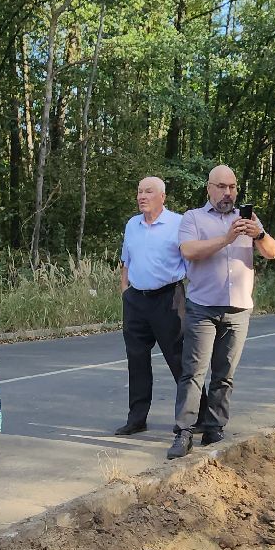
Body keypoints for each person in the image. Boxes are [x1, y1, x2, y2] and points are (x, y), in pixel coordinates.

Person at [168, 164, 275, 460]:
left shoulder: (248, 218)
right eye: (221, 186)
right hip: (202, 307)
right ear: (209, 188)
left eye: (232, 187)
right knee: (193, 372)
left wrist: (260, 234)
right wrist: (227, 238)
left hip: (238, 309)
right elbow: (189, 251)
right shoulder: (193, 217)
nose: (227, 193)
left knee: (225, 374)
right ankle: (184, 431)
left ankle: (215, 427)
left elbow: (272, 252)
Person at [115, 176, 186, 435]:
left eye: (148, 192)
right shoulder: (132, 225)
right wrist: (125, 289)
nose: (142, 196)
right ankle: (137, 418)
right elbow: (127, 260)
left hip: (169, 298)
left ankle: (195, 415)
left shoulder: (178, 223)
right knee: (137, 360)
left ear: (162, 197)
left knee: (179, 358)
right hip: (136, 300)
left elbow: (191, 260)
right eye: (139, 192)